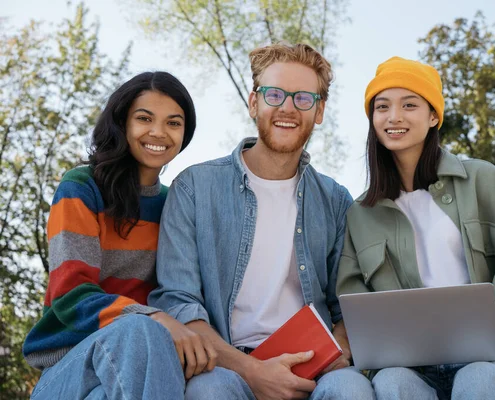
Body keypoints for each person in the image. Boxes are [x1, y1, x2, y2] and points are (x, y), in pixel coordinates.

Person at [336, 57, 495, 400]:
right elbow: (355, 306)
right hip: (411, 368)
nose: (394, 117)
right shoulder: (360, 214)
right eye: (382, 107)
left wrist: (488, 339)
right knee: (391, 382)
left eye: (410, 104)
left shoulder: (483, 181)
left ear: (434, 116)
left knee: (478, 380)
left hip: (492, 359)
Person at [149, 43, 375, 400]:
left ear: (319, 111)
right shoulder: (194, 188)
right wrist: (253, 372)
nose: (287, 107)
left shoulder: (335, 201)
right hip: (223, 363)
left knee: (351, 389)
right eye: (274, 95)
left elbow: (348, 301)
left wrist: (339, 352)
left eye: (303, 98)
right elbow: (179, 302)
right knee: (210, 393)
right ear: (255, 102)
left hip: (311, 363)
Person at [23, 72, 216, 400]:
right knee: (140, 331)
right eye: (144, 118)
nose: (158, 132)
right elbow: (71, 296)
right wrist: (154, 317)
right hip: (70, 368)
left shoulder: (177, 204)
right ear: (122, 123)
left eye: (173, 123)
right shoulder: (81, 188)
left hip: (144, 373)